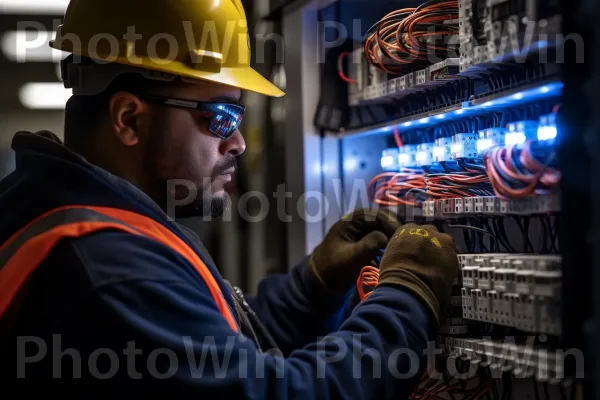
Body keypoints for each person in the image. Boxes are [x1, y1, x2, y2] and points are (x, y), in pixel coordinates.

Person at [0, 0, 459, 397]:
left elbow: (213, 349)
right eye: (220, 117)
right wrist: (408, 295)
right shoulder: (105, 265)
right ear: (129, 119)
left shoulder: (69, 212)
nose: (238, 142)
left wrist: (314, 286)